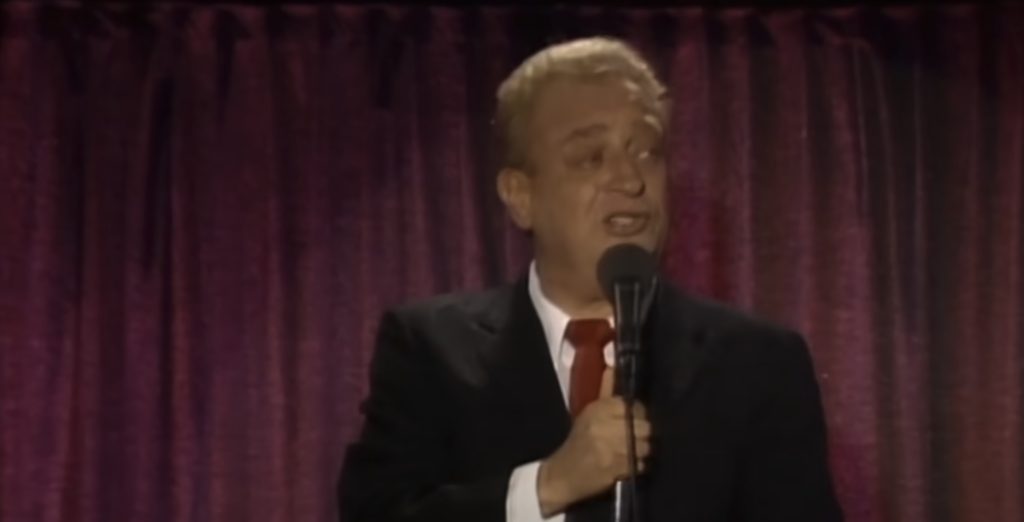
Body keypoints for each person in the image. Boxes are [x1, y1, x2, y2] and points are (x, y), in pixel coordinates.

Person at [337, 37, 843, 522]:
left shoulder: (757, 363)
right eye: (591, 157)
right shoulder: (428, 349)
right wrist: (550, 484)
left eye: (647, 151)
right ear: (519, 195)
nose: (631, 180)